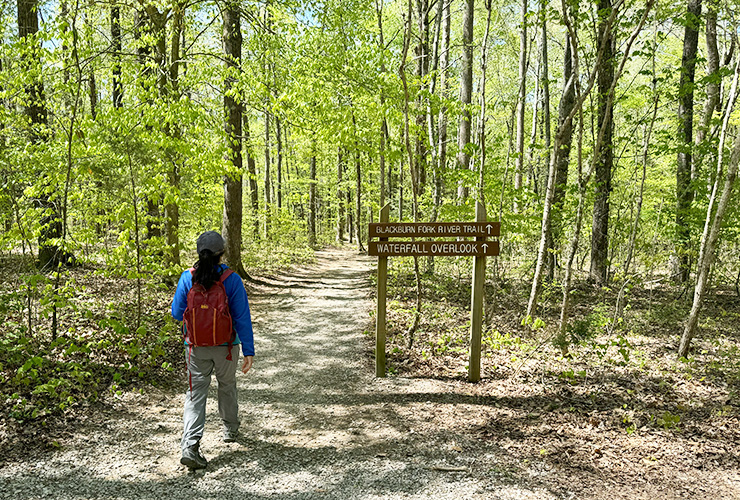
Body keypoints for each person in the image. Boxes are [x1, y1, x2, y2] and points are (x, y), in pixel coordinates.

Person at [171, 231, 254, 470]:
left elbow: (177, 314)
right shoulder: (232, 279)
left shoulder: (187, 278)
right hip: (226, 347)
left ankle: (190, 445)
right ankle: (229, 428)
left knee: (196, 395)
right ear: (221, 254)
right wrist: (249, 351)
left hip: (196, 348)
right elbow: (242, 318)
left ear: (199, 253)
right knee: (227, 385)